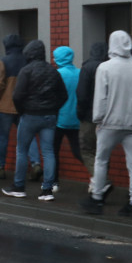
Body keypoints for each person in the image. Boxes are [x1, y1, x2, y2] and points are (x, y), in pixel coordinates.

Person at [81, 31, 132, 216]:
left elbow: (101, 98)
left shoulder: (105, 68)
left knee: (101, 160)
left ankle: (97, 199)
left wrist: (98, 120)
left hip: (109, 122)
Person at [2, 40, 66, 201]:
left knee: (22, 150)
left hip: (30, 115)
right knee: (48, 152)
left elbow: (17, 95)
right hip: (49, 116)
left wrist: (22, 110)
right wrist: (53, 108)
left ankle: (19, 186)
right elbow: (63, 95)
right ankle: (47, 190)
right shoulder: (53, 71)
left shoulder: (26, 71)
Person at [0, 34, 40, 180]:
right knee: (29, 137)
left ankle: (0, 168)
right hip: (24, 107)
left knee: (2, 137)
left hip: (5, 106)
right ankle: (35, 164)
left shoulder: (3, 61)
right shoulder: (28, 61)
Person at [76, 41, 108, 191]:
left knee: (87, 150)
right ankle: (97, 184)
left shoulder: (87, 68)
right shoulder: (110, 67)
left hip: (89, 117)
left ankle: (101, 181)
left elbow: (82, 95)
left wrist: (80, 114)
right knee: (102, 152)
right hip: (108, 118)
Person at [52, 46, 82, 189]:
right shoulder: (79, 73)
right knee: (79, 151)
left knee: (52, 151)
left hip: (58, 119)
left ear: (58, 59)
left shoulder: (56, 74)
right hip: (76, 118)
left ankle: (54, 181)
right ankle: (97, 177)